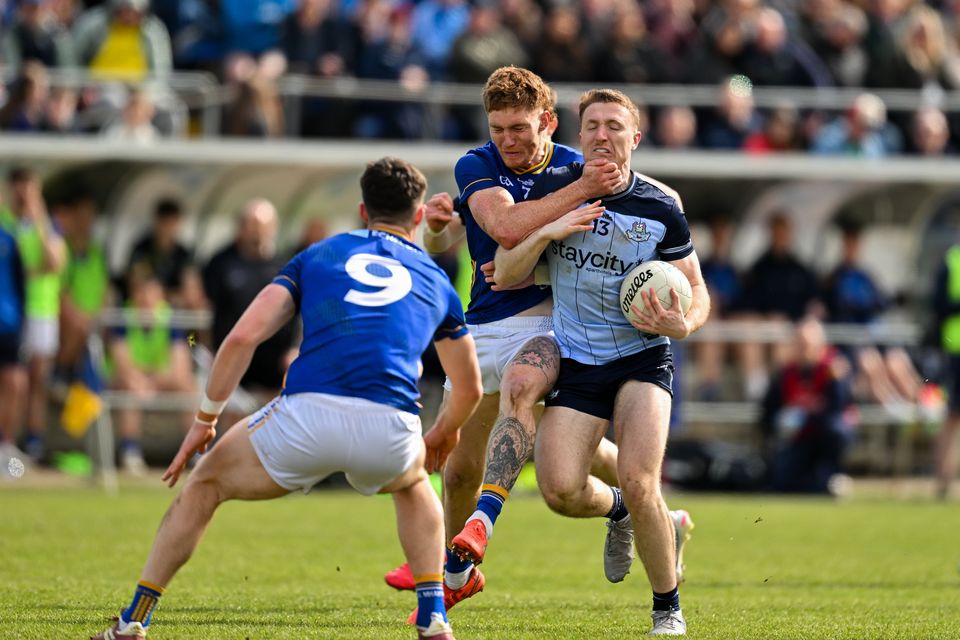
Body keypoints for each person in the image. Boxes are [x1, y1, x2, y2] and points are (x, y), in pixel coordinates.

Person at [90, 157, 483, 640]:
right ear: (419, 216)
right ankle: (433, 616)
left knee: (206, 484)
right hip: (392, 424)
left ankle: (133, 620)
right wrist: (446, 430)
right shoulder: (436, 279)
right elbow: (470, 387)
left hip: (306, 416)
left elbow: (241, 338)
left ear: (362, 210)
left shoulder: (318, 255)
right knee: (414, 483)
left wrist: (205, 421)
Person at [384, 65, 624, 611]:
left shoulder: (576, 164)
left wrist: (537, 262)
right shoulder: (477, 163)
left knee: (526, 405)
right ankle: (641, 498)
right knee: (464, 468)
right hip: (482, 326)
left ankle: (453, 562)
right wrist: (445, 227)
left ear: (549, 121)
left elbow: (595, 251)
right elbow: (505, 229)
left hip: (548, 325)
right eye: (498, 129)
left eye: (519, 128)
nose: (508, 140)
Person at [493, 88, 711, 636]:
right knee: (559, 491)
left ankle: (668, 607)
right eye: (591, 126)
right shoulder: (554, 190)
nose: (602, 135)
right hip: (579, 358)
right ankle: (621, 512)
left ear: (634, 139)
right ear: (579, 134)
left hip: (643, 356)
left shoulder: (662, 205)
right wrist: (547, 230)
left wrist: (684, 323)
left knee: (642, 480)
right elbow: (507, 268)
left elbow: (696, 290)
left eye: (615, 126)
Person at [0, 167, 66, 462]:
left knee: (34, 380)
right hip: (12, 310)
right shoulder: (5, 223)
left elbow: (53, 262)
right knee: (14, 380)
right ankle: (8, 443)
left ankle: (30, 443)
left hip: (40, 308)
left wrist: (38, 217)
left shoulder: (45, 224)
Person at [201, 198, 296, 405]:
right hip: (233, 360)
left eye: (263, 226)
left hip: (275, 364)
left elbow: (301, 312)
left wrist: (296, 349)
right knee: (229, 416)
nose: (257, 232)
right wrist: (201, 348)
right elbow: (201, 307)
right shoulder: (221, 263)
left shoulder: (286, 265)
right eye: (252, 225)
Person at [108, 265, 196, 475]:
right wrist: (140, 381)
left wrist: (153, 381)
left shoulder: (172, 318)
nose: (145, 298)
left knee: (189, 387)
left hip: (158, 379)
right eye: (140, 291)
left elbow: (180, 365)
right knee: (129, 387)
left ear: (161, 294)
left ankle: (196, 452)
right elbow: (122, 361)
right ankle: (130, 451)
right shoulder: (123, 316)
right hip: (128, 380)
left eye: (150, 291)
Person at [759, 317, 856, 496]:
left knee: (836, 430)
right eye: (800, 344)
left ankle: (833, 475)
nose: (804, 350)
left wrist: (810, 414)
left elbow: (839, 408)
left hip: (824, 436)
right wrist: (784, 420)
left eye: (808, 345)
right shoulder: (785, 373)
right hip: (798, 438)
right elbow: (767, 412)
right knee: (780, 481)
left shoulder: (833, 370)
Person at [0, 224, 28, 470]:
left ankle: (5, 446)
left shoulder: (9, 238)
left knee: (15, 384)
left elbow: (21, 283)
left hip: (8, 324)